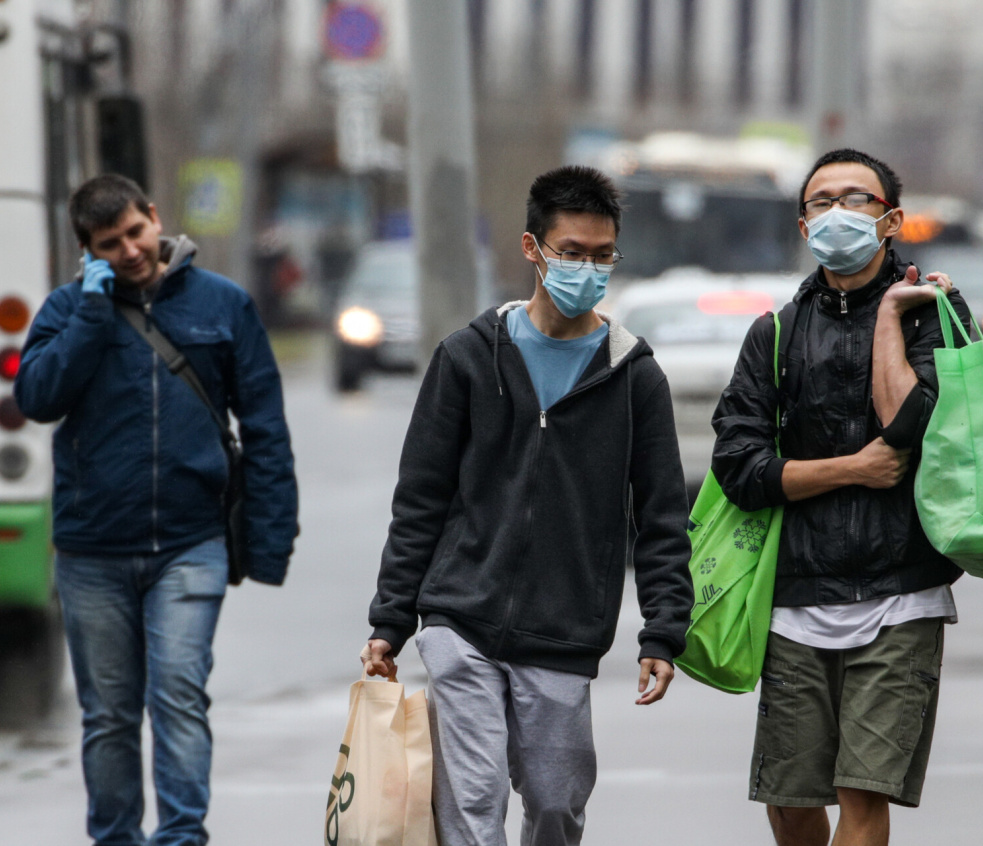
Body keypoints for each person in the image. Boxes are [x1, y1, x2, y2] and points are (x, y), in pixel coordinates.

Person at [361, 165, 693, 846]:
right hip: (460, 619)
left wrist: (663, 630)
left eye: (602, 256)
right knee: (473, 805)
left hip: (564, 633)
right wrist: (391, 620)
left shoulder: (635, 377)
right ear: (532, 249)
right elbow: (420, 500)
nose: (587, 270)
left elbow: (661, 517)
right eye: (572, 252)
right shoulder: (466, 358)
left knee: (555, 805)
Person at [14, 174, 299, 846]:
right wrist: (90, 316)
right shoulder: (66, 311)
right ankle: (115, 838)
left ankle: (180, 837)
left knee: (178, 695)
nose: (130, 251)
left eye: (135, 232)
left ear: (153, 216)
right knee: (110, 715)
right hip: (91, 551)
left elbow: (265, 428)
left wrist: (268, 541)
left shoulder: (223, 304)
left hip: (190, 543)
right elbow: (37, 399)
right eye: (109, 244)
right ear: (88, 251)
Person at [711, 148, 973, 846]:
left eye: (857, 199)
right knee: (792, 804)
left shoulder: (937, 316)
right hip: (796, 597)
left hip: (903, 592)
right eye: (821, 202)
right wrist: (853, 469)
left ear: (892, 220)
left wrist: (889, 317)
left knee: (863, 793)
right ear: (803, 227)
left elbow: (910, 427)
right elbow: (739, 468)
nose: (838, 213)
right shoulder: (774, 334)